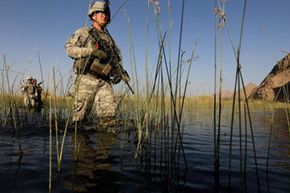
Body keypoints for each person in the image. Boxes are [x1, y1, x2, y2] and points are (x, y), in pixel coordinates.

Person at [65, 0, 130, 127]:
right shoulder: (85, 32)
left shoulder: (110, 39)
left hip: (104, 82)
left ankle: (105, 145)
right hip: (86, 79)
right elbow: (69, 49)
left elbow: (116, 60)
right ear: (93, 15)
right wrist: (92, 51)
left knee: (109, 119)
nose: (103, 15)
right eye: (100, 12)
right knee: (79, 121)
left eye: (105, 13)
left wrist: (121, 72)